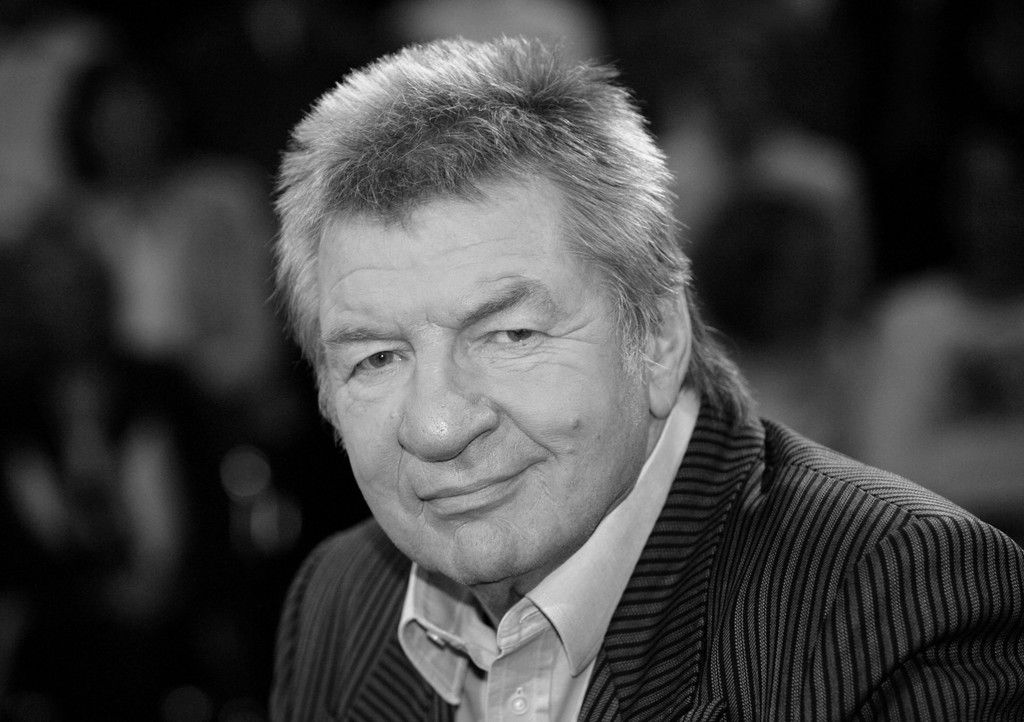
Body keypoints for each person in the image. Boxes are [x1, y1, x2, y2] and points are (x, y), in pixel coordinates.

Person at [269, 37, 1024, 720]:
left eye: (511, 335)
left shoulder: (901, 605)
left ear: (659, 335)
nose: (436, 425)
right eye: (376, 358)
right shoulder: (339, 601)